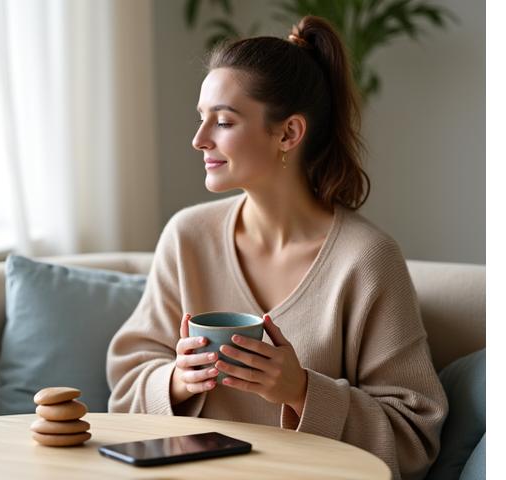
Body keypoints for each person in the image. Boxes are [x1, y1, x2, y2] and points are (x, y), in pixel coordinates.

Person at [106, 15, 447, 480]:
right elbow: (125, 386)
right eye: (200, 118)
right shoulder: (186, 238)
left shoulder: (367, 260)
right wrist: (177, 381)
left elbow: (414, 434)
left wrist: (303, 390)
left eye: (223, 121)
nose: (199, 139)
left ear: (288, 134)